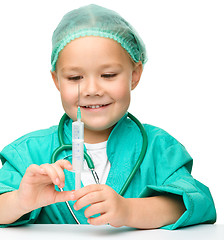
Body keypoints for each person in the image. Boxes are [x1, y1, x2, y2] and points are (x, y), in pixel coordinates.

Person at [0, 4, 216, 229]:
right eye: (75, 78)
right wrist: (19, 201)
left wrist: (129, 210)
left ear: (135, 74)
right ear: (56, 80)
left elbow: (197, 204)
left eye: (108, 75)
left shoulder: (158, 147)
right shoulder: (28, 153)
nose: (91, 89)